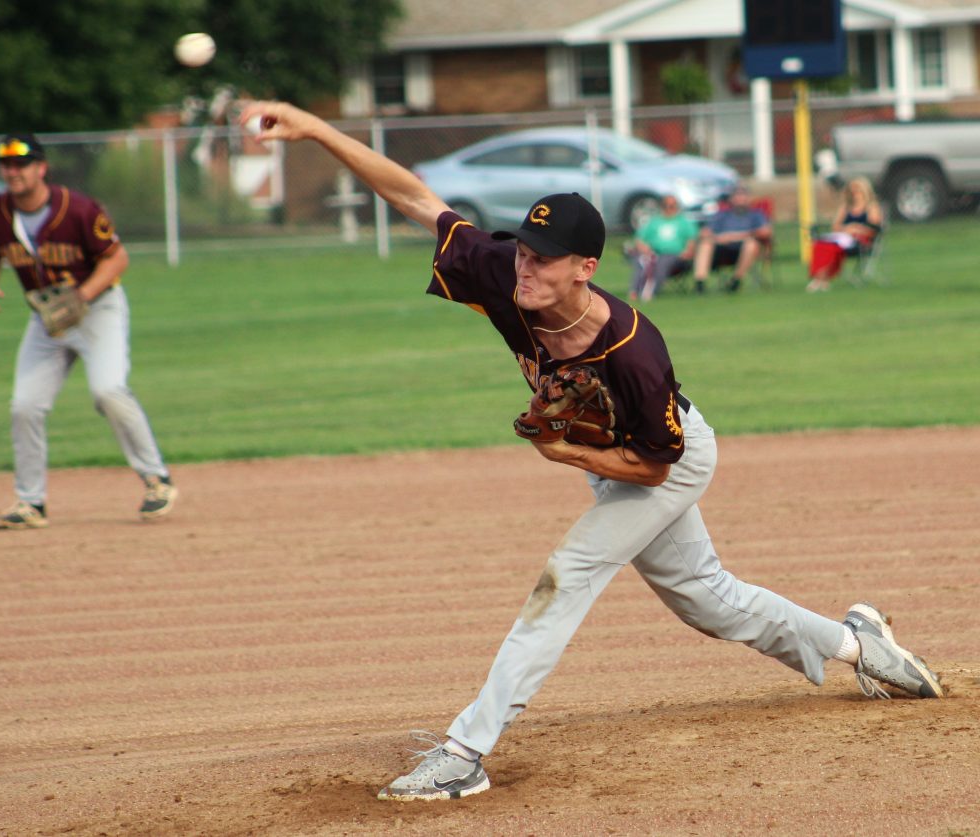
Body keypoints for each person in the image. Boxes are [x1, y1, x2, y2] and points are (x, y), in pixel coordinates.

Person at [237, 101, 944, 802]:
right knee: (711, 602)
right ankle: (859, 643)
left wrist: (564, 453)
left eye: (543, 260)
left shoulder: (635, 351)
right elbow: (415, 197)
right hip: (617, 462)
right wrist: (316, 129)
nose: (525, 268)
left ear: (586, 267)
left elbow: (656, 467)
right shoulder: (504, 273)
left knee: (568, 573)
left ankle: (465, 752)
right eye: (523, 251)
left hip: (669, 458)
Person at [0, 133, 178, 529]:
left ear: (41, 168)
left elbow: (117, 259)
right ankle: (31, 503)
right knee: (25, 406)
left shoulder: (79, 209)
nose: (12, 171)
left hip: (97, 310)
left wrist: (81, 297)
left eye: (21, 164)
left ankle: (157, 479)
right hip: (47, 320)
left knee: (108, 390)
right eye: (6, 164)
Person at [807, 177, 884, 292]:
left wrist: (857, 229)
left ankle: (824, 277)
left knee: (832, 247)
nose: (855, 194)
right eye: (852, 191)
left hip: (860, 242)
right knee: (820, 244)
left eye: (857, 191)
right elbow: (835, 226)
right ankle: (819, 277)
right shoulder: (846, 207)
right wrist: (847, 229)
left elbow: (874, 229)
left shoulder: (872, 207)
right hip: (843, 237)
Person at [691, 184, 772, 293]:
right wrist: (718, 238)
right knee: (705, 243)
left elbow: (765, 232)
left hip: (744, 250)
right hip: (721, 249)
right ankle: (700, 283)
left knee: (751, 244)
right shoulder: (722, 215)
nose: (740, 199)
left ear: (748, 198)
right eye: (737, 196)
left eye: (743, 196)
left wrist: (734, 236)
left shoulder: (756, 215)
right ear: (731, 199)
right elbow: (704, 232)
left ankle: (736, 281)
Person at [624, 194, 699, 302]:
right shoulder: (654, 221)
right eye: (666, 205)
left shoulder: (684, 222)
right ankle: (634, 291)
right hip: (653, 253)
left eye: (672, 206)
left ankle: (650, 292)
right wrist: (645, 249)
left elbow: (691, 241)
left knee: (663, 262)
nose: (669, 208)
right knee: (641, 261)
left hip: (675, 255)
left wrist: (688, 252)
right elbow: (639, 239)